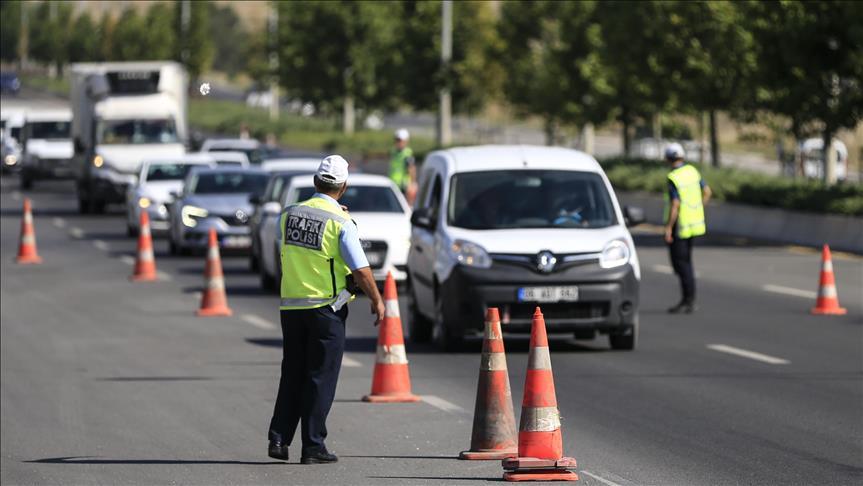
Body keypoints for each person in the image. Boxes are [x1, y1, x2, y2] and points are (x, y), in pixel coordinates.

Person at [268, 155, 385, 464]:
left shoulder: (289, 214)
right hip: (325, 308)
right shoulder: (341, 223)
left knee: (292, 373)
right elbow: (360, 270)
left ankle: (279, 439)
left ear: (315, 182)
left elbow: (302, 234)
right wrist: (377, 299)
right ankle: (313, 445)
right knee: (320, 377)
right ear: (343, 187)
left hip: (291, 306)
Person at [663, 143, 711, 314]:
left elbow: (675, 204)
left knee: (682, 265)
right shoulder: (692, 171)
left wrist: (668, 228)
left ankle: (688, 300)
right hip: (694, 224)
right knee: (687, 263)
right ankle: (688, 299)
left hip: (681, 226)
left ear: (667, 158)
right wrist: (698, 208)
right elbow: (707, 191)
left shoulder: (674, 177)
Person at [388, 128, 416, 196]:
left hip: (403, 186)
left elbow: (411, 169)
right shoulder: (393, 151)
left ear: (405, 141)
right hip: (392, 183)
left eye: (400, 140)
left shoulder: (407, 153)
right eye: (397, 140)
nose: (398, 142)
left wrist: (412, 183)